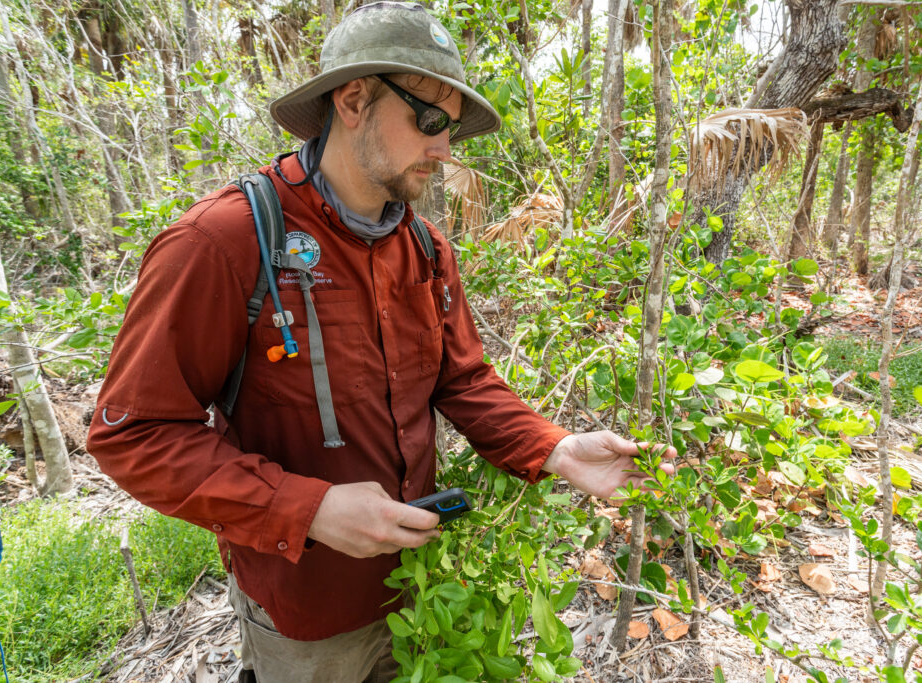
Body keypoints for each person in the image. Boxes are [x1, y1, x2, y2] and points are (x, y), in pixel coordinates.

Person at [86, 3, 676, 681]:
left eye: (452, 128)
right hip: (304, 614)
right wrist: (308, 510)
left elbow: (464, 380)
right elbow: (133, 431)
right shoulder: (224, 241)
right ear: (354, 99)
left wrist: (556, 448)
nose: (445, 149)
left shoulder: (425, 249)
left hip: (421, 587)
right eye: (429, 120)